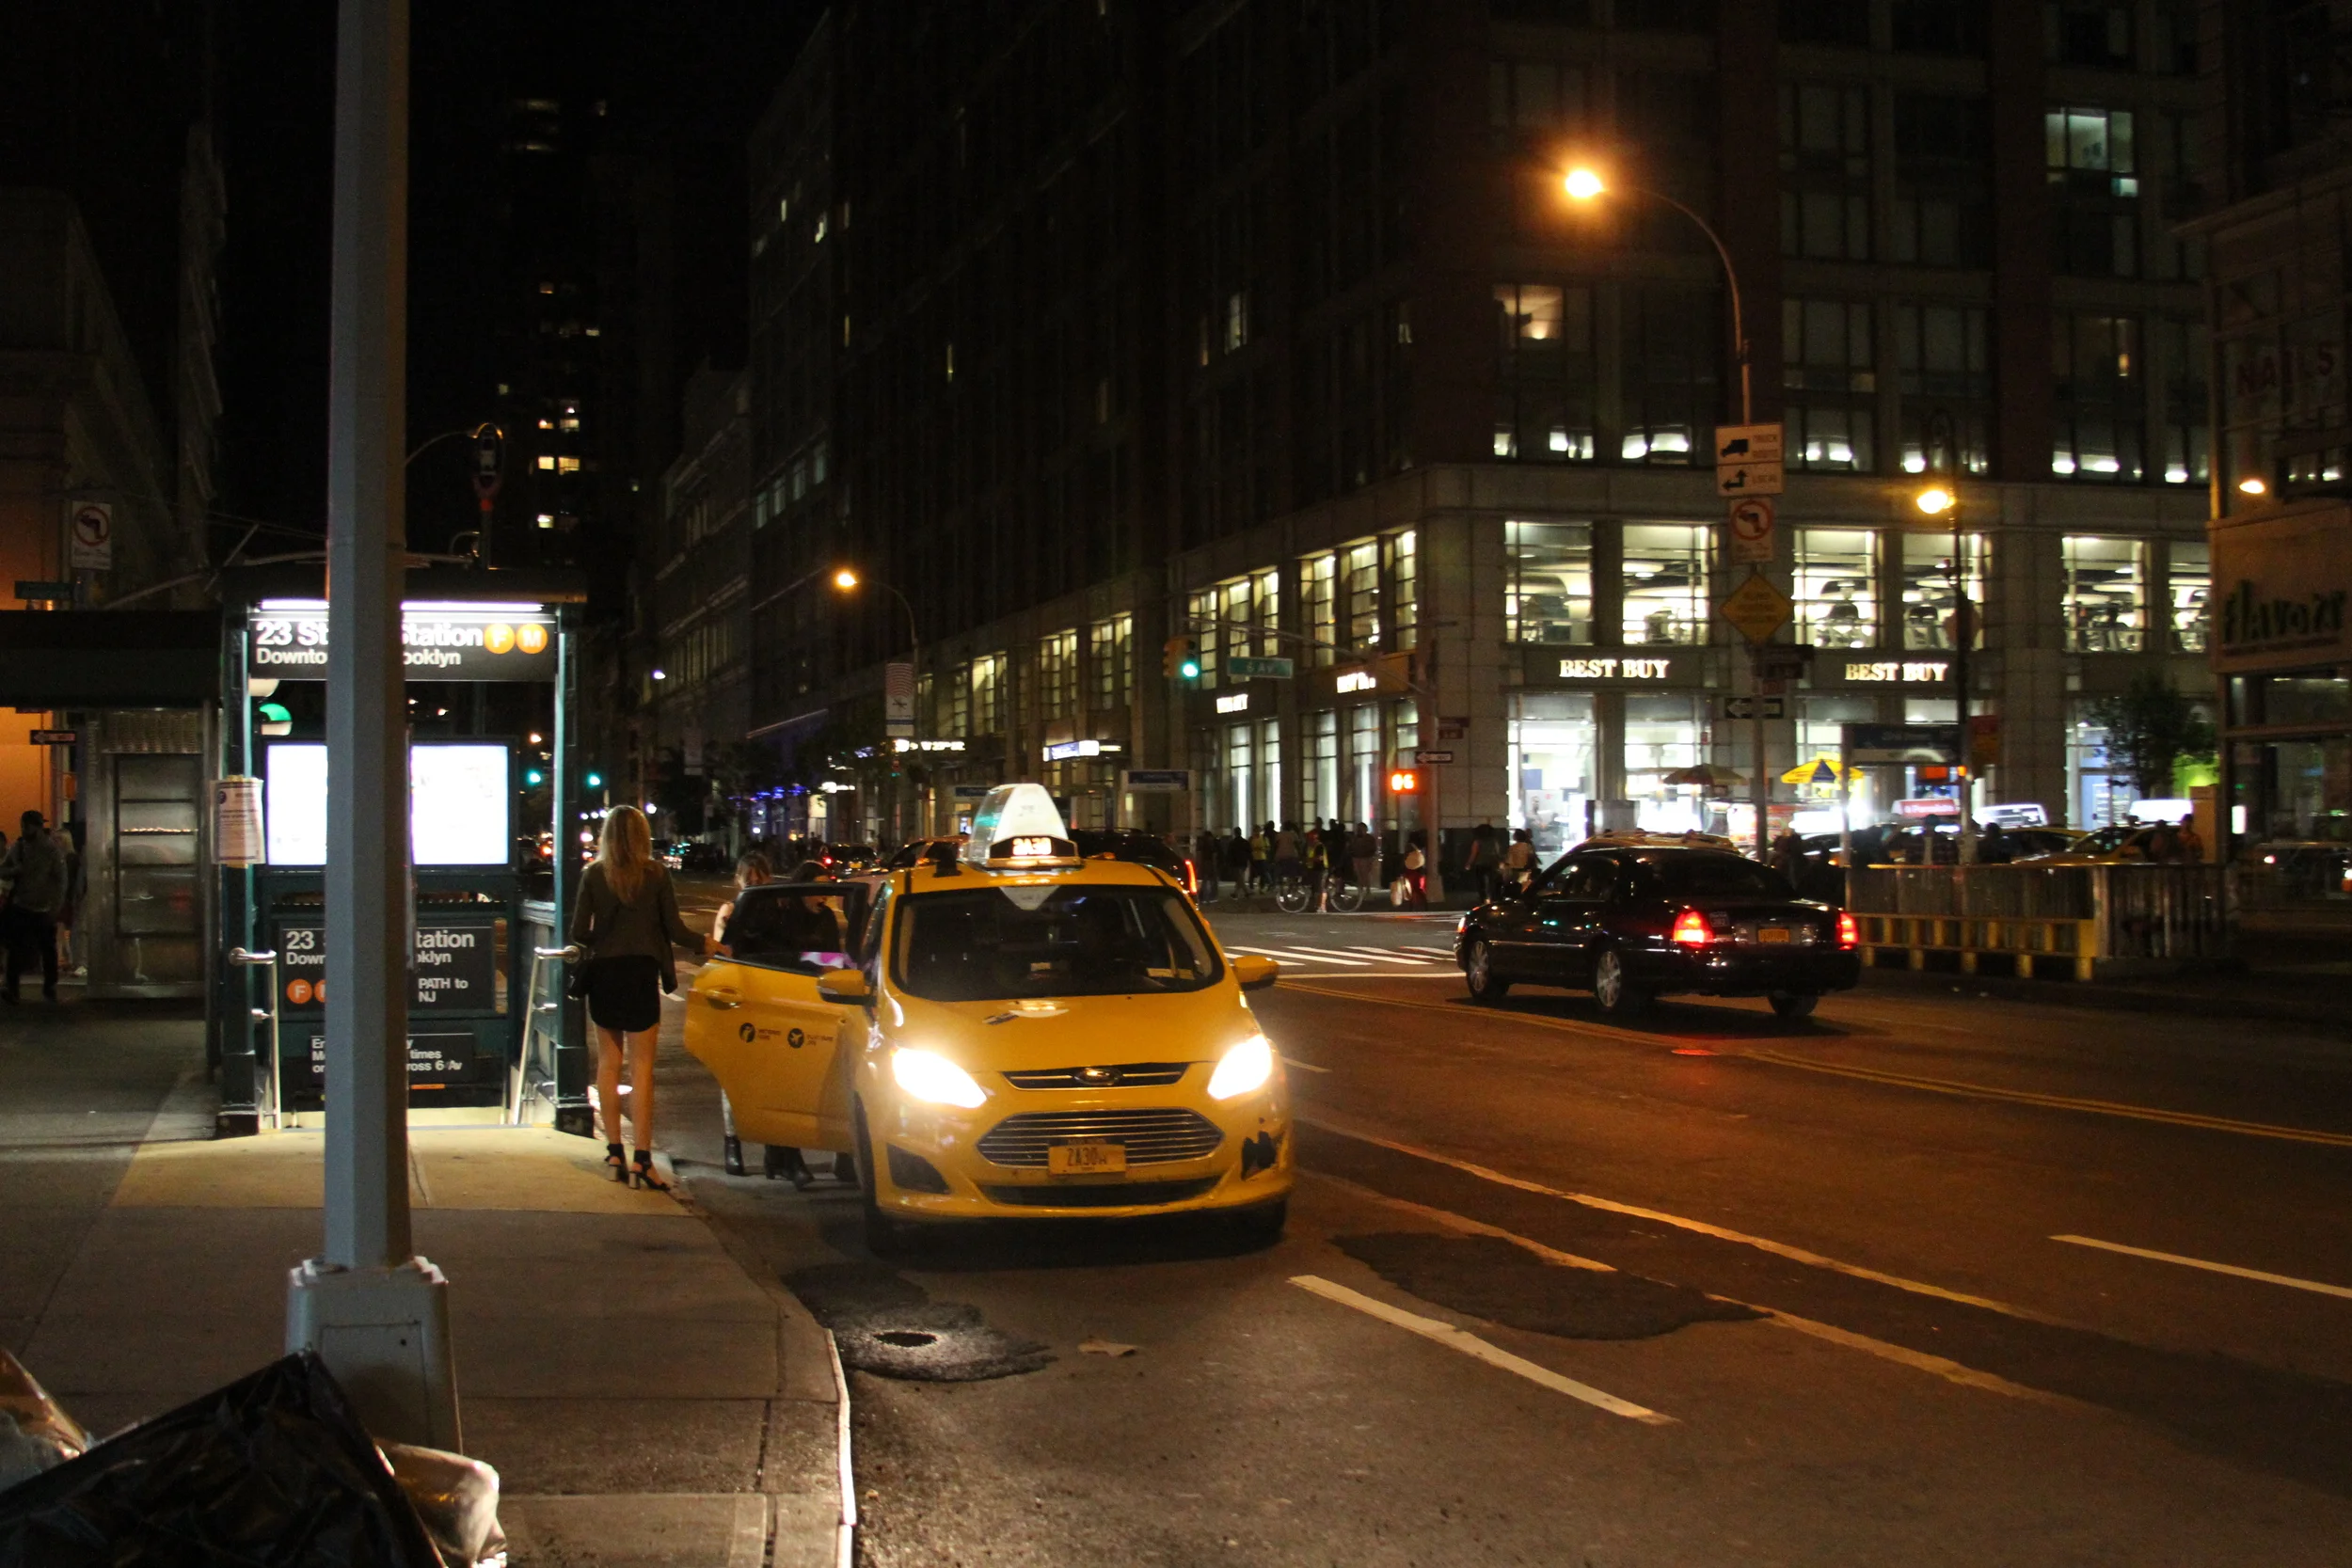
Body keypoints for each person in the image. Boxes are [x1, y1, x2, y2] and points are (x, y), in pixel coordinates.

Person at [568, 804, 713, 1192]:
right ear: (642, 836)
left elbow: (578, 931)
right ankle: (642, 1161)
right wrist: (706, 944)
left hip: (604, 973)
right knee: (642, 1068)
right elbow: (675, 929)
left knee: (608, 1064)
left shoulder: (593, 875)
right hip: (640, 973)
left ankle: (614, 1153)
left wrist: (604, 938)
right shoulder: (656, 874)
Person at [713, 851, 802, 1182]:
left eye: (760, 878)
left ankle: (776, 1150)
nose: (754, 883)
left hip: (773, 998)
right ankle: (732, 1141)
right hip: (743, 998)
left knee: (777, 1076)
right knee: (735, 1076)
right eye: (748, 878)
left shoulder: (781, 910)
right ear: (738, 880)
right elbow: (722, 954)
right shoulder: (732, 911)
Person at [1, 812, 69, 1003]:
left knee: (46, 950)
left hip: (42, 907)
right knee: (19, 948)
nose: (30, 830)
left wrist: (56, 906)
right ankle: (14, 988)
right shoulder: (19, 847)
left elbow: (61, 880)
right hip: (24, 905)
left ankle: (47, 987)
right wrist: (15, 870)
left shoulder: (50, 850)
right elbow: (3, 870)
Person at [1465, 821, 1501, 904]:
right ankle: (1492, 898)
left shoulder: (1477, 841)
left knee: (1481, 883)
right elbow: (1497, 853)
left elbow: (1474, 854)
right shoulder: (1494, 841)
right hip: (1492, 864)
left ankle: (1483, 899)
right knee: (1492, 882)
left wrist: (1468, 863)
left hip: (1480, 864)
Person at [1348, 822, 1380, 901]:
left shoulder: (1368, 839)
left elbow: (1373, 849)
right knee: (1360, 876)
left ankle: (1366, 891)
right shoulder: (1357, 838)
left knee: (1365, 876)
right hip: (1358, 858)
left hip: (1365, 858)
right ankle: (1362, 892)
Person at [1501, 827, 1537, 894]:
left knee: (1515, 887)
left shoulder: (1512, 847)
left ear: (1516, 837)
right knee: (1523, 888)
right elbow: (1531, 857)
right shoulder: (1528, 846)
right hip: (1524, 870)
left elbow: (1509, 860)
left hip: (1514, 870)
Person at [1402, 832, 1429, 909]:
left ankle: (1412, 905)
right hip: (1418, 870)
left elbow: (1405, 858)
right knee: (1418, 888)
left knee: (1412, 888)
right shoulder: (1420, 848)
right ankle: (1423, 904)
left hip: (1410, 870)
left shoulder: (1409, 847)